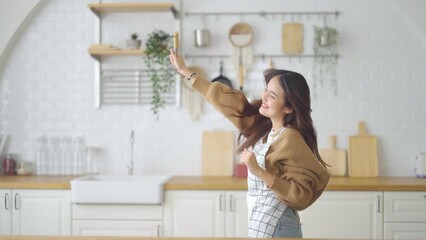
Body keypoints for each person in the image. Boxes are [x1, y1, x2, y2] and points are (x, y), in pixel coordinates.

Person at [169, 49, 331, 238]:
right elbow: (227, 101)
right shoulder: (265, 128)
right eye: (266, 90)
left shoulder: (290, 138)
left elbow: (300, 195)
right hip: (263, 222)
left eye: (272, 96)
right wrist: (186, 72)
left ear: (288, 108)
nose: (264, 97)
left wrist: (259, 172)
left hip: (278, 224)